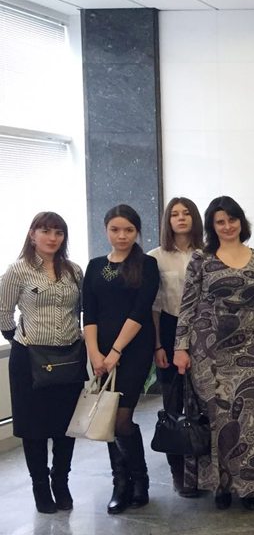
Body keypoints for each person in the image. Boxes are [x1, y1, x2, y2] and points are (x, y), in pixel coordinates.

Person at [173, 196, 254, 511]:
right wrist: (180, 347)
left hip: (248, 348)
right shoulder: (201, 258)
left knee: (245, 417)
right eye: (220, 221)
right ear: (212, 226)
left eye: (232, 220)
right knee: (216, 418)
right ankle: (219, 486)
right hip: (207, 351)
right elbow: (187, 305)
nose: (227, 226)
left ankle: (247, 487)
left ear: (241, 222)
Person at [1, 212, 84, 514]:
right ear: (32, 234)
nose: (52, 238)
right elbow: (2, 311)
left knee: (66, 426)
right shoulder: (18, 270)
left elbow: (81, 311)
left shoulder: (74, 270)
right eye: (45, 231)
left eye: (58, 232)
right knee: (33, 427)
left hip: (69, 357)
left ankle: (60, 482)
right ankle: (40, 487)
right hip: (29, 358)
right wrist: (19, 340)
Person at [83, 205, 159, 514]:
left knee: (122, 417)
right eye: (115, 229)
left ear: (137, 232)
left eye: (129, 230)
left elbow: (140, 311)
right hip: (100, 353)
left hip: (134, 349)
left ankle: (139, 480)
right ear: (105, 230)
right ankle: (120, 483)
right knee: (107, 415)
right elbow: (89, 313)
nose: (122, 235)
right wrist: (95, 353)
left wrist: (116, 351)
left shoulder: (147, 264)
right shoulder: (94, 266)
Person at [149, 197, 204, 498]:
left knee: (204, 403)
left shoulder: (209, 253)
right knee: (173, 406)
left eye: (186, 213)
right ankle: (178, 470)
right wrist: (158, 344)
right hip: (169, 330)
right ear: (167, 220)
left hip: (204, 331)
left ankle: (203, 468)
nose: (181, 218)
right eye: (174, 214)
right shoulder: (155, 257)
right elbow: (154, 307)